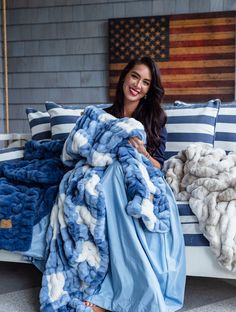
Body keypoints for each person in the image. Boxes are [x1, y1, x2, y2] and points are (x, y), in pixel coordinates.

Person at [83, 56, 186, 312]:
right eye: (135, 77)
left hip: (144, 180)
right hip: (106, 178)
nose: (138, 85)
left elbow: (158, 165)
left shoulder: (155, 116)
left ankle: (118, 296)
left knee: (121, 170)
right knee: (111, 172)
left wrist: (141, 153)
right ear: (125, 77)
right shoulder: (104, 116)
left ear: (150, 89)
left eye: (146, 82)